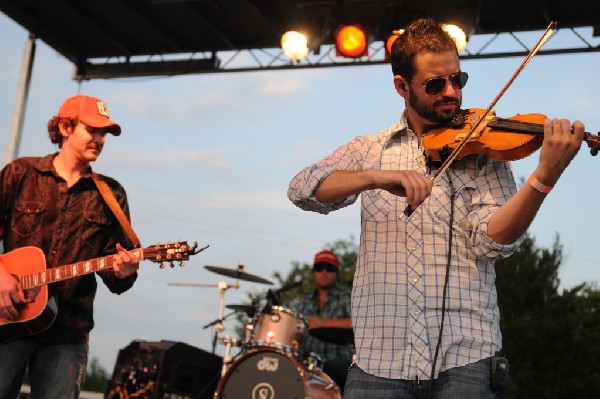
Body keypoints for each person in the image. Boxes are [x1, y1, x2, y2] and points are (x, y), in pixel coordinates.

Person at [287, 17, 584, 399]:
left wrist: (544, 177)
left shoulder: (485, 153)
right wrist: (373, 177)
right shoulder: (370, 150)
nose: (451, 93)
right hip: (379, 363)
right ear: (401, 86)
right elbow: (302, 189)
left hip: (467, 362)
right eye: (434, 84)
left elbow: (494, 242)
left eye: (457, 80)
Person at [0, 94, 141, 399]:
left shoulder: (112, 195)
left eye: (104, 133)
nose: (100, 139)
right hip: (7, 319)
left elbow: (117, 280)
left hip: (68, 334)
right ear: (65, 127)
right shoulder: (20, 174)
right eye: (92, 130)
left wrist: (125, 271)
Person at [288, 249, 353, 391]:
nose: (324, 272)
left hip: (336, 360)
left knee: (337, 368)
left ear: (337, 273)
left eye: (329, 269)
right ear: (313, 273)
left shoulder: (348, 297)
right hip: (305, 362)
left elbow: (358, 321)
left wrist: (322, 323)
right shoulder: (301, 303)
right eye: (319, 268)